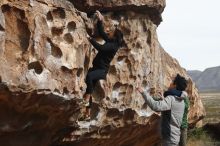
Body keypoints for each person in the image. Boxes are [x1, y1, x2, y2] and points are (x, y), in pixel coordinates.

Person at [80, 10, 124, 120]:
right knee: (89, 87)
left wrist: (89, 38)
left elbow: (100, 48)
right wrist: (100, 20)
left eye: (112, 31)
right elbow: (102, 33)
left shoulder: (113, 46)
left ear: (115, 36)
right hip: (96, 67)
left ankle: (86, 98)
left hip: (102, 70)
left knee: (89, 77)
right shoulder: (110, 41)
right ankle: (87, 113)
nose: (110, 31)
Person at [137, 74, 188, 146]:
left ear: (175, 85)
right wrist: (163, 100)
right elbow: (171, 110)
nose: (170, 84)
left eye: (172, 82)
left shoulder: (171, 99)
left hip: (169, 138)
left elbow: (156, 106)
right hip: (174, 136)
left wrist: (143, 92)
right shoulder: (181, 100)